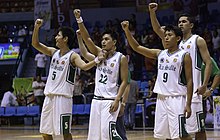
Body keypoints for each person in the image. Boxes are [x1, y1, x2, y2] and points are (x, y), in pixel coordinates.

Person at [32, 19, 106, 140]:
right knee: (45, 132)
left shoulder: (73, 56)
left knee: (64, 132)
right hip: (49, 97)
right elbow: (35, 44)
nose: (55, 37)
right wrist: (36, 28)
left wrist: (97, 60)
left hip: (63, 98)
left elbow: (84, 66)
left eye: (58, 35)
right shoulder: (53, 52)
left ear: (65, 39)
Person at [148, 3, 212, 139]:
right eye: (179, 22)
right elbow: (157, 29)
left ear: (191, 25)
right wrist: (152, 13)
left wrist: (205, 84)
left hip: (193, 91)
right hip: (178, 92)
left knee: (198, 128)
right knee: (178, 131)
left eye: (184, 22)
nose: (181, 24)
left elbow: (208, 62)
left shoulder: (198, 40)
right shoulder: (173, 42)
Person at [122, 21, 193, 140]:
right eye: (165, 35)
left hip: (176, 98)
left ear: (178, 38)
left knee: (182, 134)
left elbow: (190, 81)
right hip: (161, 99)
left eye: (170, 35)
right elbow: (137, 47)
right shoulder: (160, 53)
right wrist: (127, 31)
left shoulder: (184, 55)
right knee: (164, 135)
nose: (166, 37)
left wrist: (188, 104)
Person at [74, 9, 129, 140]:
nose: (103, 42)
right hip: (96, 100)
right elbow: (87, 38)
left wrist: (119, 101)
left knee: (109, 134)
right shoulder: (99, 54)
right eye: (102, 40)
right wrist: (79, 19)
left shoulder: (121, 58)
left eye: (106, 39)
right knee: (95, 136)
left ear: (114, 42)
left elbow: (125, 82)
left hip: (110, 101)